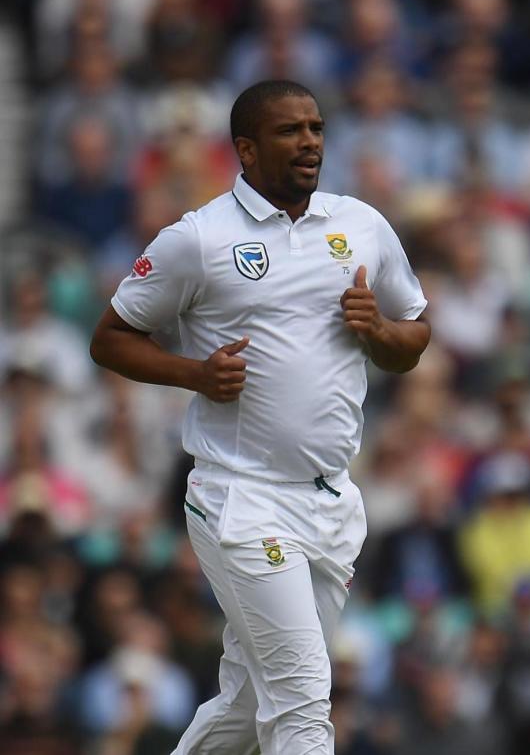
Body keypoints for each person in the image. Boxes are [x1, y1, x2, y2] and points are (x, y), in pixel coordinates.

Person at [89, 80, 431, 754]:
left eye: (316, 128)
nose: (309, 142)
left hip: (331, 502)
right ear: (245, 149)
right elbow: (110, 338)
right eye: (289, 131)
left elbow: (414, 337)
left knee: (249, 707)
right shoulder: (200, 238)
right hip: (242, 499)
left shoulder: (358, 225)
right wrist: (196, 375)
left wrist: (378, 332)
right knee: (303, 700)